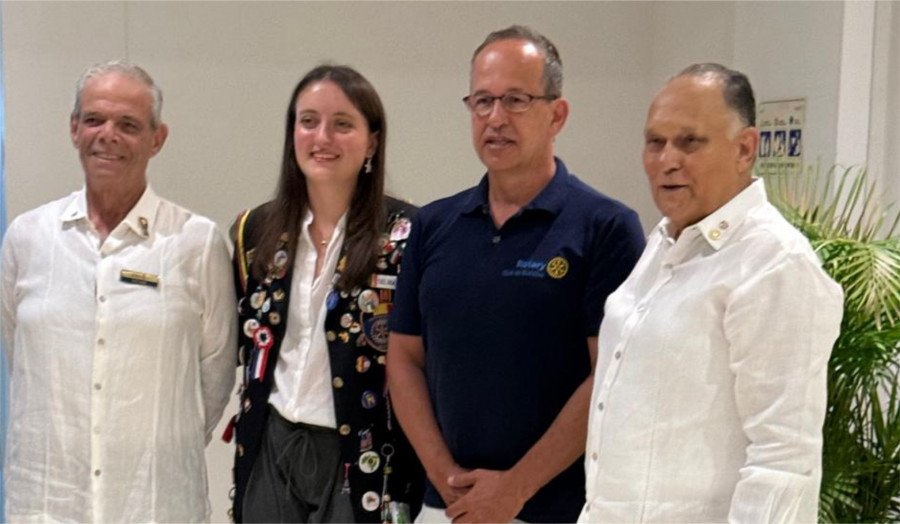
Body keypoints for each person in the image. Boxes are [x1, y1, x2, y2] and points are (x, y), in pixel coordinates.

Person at [387, 26, 645, 523]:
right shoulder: (433, 225)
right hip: (447, 506)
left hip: (556, 510)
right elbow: (404, 357)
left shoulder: (606, 228)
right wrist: (446, 478)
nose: (496, 118)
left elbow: (610, 376)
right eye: (482, 101)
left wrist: (515, 488)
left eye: (516, 100)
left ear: (557, 115)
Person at [579, 64, 844, 523]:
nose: (667, 160)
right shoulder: (664, 243)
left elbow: (783, 460)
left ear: (745, 149)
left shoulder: (774, 263)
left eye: (689, 142)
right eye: (655, 142)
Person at [0, 61, 235, 522]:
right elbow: (18, 355)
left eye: (128, 125)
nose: (107, 135)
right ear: (74, 129)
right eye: (94, 120)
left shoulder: (196, 243)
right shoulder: (26, 239)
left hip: (156, 504)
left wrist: (153, 443)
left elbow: (215, 377)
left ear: (157, 139)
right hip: (47, 504)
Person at [225, 64, 424, 523]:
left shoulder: (409, 235)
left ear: (372, 141)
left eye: (342, 124)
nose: (322, 137)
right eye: (309, 121)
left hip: (363, 449)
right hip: (271, 441)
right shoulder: (254, 230)